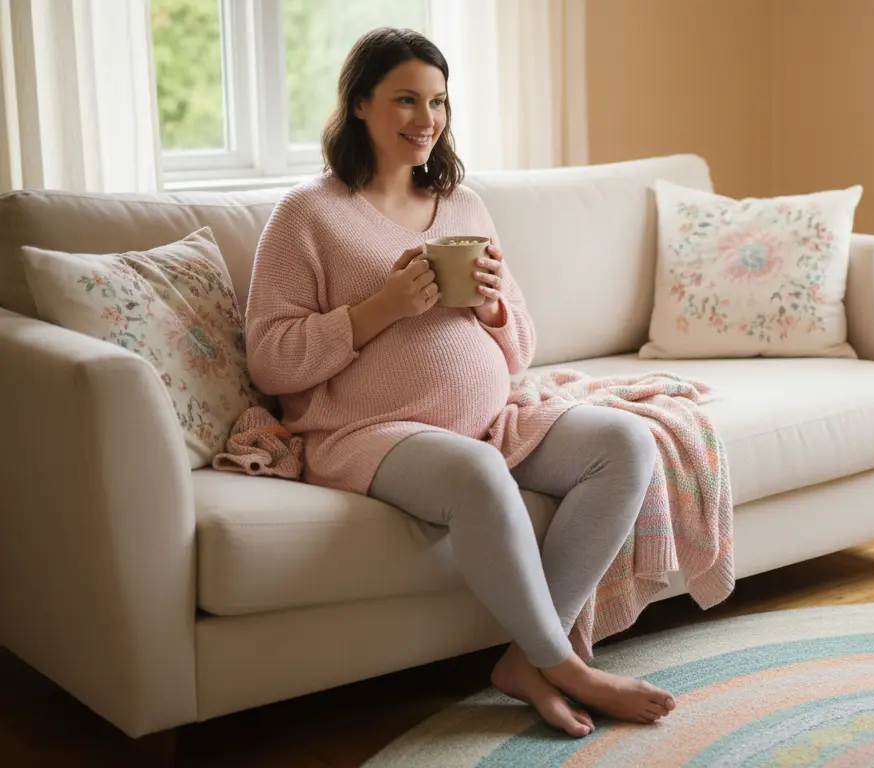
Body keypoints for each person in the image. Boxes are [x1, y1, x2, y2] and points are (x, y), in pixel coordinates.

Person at [244, 27, 674, 738]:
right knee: (477, 474)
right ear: (358, 105)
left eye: (438, 101)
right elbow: (270, 359)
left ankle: (523, 660)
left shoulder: (463, 205)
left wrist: (493, 305)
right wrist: (381, 310)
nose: (426, 120)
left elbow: (521, 347)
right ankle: (561, 664)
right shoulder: (307, 214)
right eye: (406, 100)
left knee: (626, 442)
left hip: (492, 414)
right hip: (366, 433)